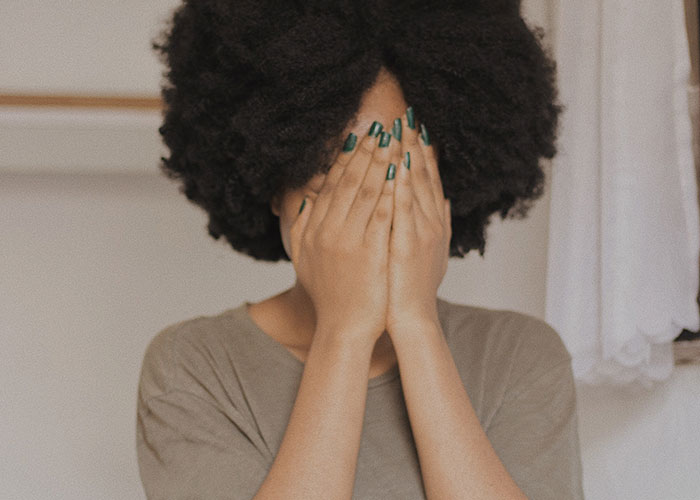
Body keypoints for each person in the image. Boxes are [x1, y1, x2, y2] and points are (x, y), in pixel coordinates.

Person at [136, 1, 584, 499]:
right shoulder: (194, 366)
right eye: (334, 169)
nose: (365, 198)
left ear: (444, 183)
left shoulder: (519, 356)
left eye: (396, 164)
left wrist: (416, 325)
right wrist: (345, 331)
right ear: (273, 180)